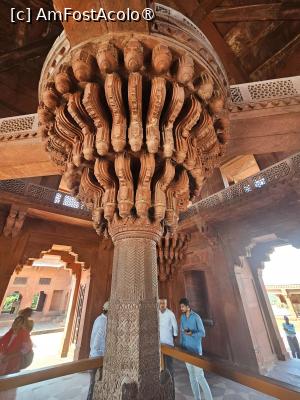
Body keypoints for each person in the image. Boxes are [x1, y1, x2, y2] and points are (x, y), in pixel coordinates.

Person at [179, 298, 212, 400]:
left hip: (196, 351)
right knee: (192, 377)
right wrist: (181, 348)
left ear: (188, 307)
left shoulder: (196, 317)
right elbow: (181, 333)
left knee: (200, 377)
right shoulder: (182, 317)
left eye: (182, 306)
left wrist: (192, 333)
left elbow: (203, 333)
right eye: (180, 307)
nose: (181, 308)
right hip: (186, 351)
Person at [87, 301, 109, 400]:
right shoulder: (103, 322)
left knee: (94, 382)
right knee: (95, 383)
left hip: (94, 354)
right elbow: (98, 341)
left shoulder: (99, 319)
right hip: (98, 356)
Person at [159, 298, 178, 381]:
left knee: (169, 363)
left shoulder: (170, 314)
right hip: (159, 341)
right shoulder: (157, 313)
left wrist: (175, 335)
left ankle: (171, 380)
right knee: (160, 362)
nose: (162, 305)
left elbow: (175, 326)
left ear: (166, 304)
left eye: (164, 303)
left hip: (168, 341)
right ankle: (163, 380)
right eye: (161, 303)